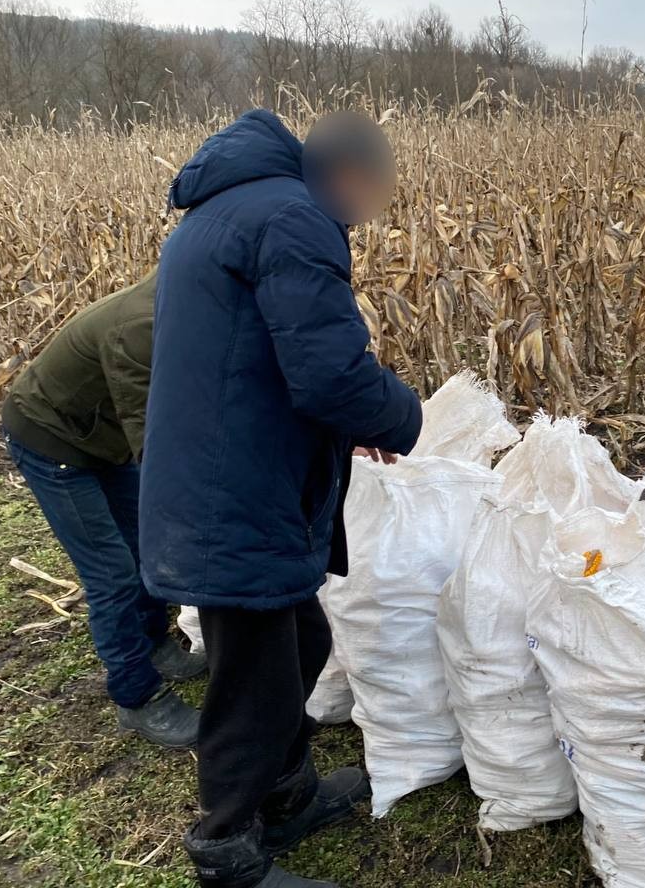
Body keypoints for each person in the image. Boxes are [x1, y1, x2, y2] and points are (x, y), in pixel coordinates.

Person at [139, 109, 422, 888]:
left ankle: (289, 792)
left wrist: (337, 430)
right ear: (346, 174)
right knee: (253, 677)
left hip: (225, 471)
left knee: (297, 641)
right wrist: (401, 415)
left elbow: (259, 357)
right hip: (237, 487)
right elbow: (329, 372)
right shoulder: (295, 218)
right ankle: (226, 849)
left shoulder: (228, 210)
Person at [1, 269, 204, 749]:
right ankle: (137, 698)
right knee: (111, 573)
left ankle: (154, 642)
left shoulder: (191, 301)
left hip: (98, 436)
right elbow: (152, 435)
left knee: (146, 544)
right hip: (52, 440)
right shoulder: (142, 328)